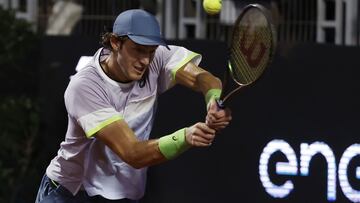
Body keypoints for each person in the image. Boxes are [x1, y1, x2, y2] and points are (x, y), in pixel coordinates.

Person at [35, 9, 232, 203]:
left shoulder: (157, 58)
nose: (145, 60)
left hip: (124, 194)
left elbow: (203, 78)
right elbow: (132, 153)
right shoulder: (85, 86)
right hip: (72, 193)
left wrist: (212, 99)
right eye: (137, 50)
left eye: (151, 51)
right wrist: (186, 137)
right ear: (115, 42)